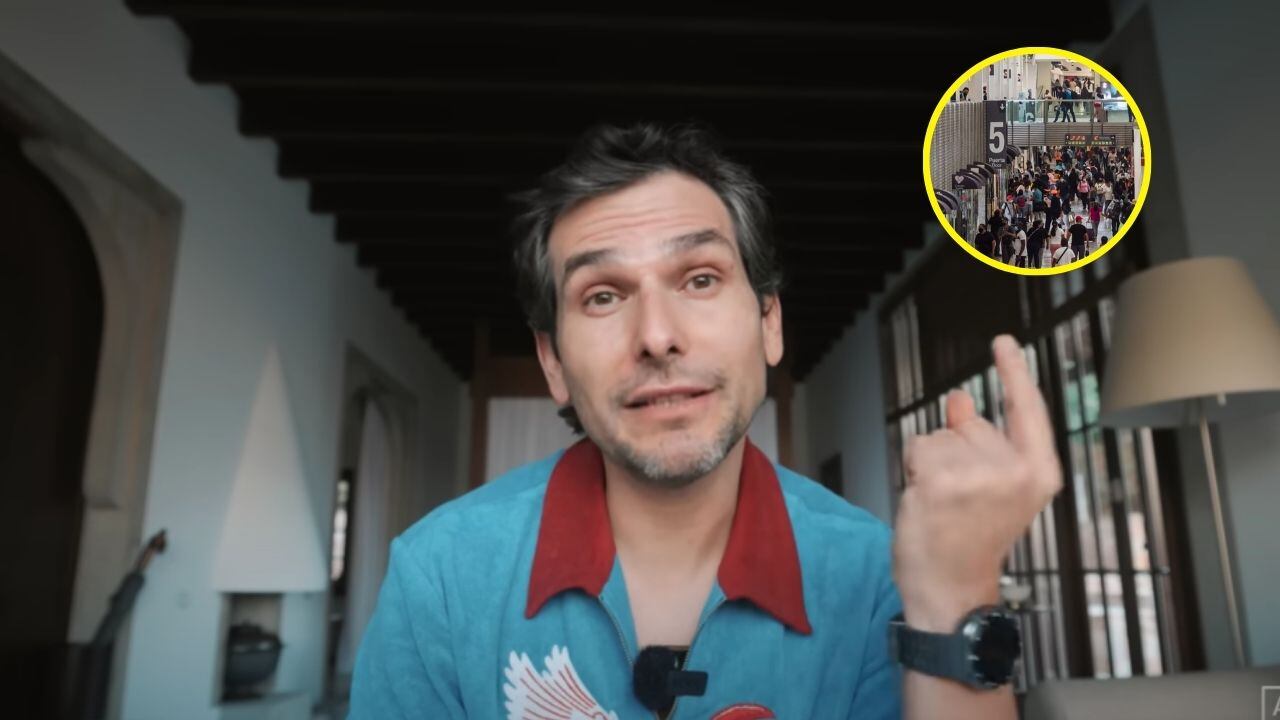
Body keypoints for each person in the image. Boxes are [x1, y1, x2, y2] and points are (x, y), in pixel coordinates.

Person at [347, 123, 1061, 719]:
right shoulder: (440, 578)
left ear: (769, 322)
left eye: (700, 278)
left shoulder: (875, 576)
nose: (657, 336)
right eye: (602, 296)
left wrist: (958, 594)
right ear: (553, 361)